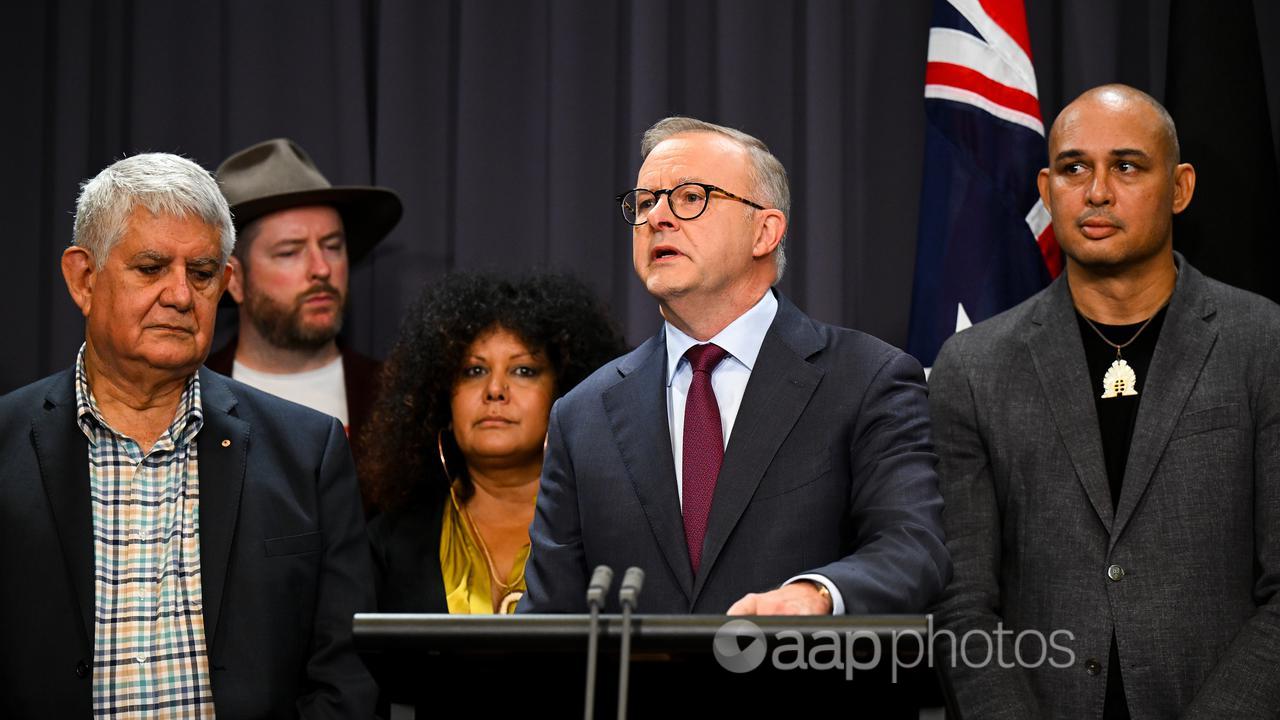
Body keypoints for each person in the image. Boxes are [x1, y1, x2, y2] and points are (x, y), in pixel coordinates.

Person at [930, 84, 1280, 718]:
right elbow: (962, 603)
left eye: (1125, 166)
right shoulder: (973, 366)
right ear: (1045, 189)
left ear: (1179, 188)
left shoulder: (1264, 342)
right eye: (1073, 169)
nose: (1096, 192)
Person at [519, 117, 950, 615]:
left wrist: (815, 597)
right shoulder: (581, 416)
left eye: (689, 197)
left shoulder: (868, 379)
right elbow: (549, 618)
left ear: (765, 232)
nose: (658, 217)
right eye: (644, 203)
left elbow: (913, 548)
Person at [0, 152, 376, 717]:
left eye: (200, 274)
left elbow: (347, 678)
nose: (180, 295)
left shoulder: (308, 452)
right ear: (83, 279)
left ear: (225, 283)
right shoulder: (7, 445)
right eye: (151, 268)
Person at [364, 273, 625, 614]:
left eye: (523, 371)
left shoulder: (609, 532)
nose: (495, 390)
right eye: (473, 371)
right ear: (442, 398)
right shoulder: (388, 540)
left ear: (565, 393)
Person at [207, 138, 402, 475]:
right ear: (234, 280)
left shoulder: (398, 396)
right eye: (289, 251)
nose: (322, 268)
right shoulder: (191, 399)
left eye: (332, 246)